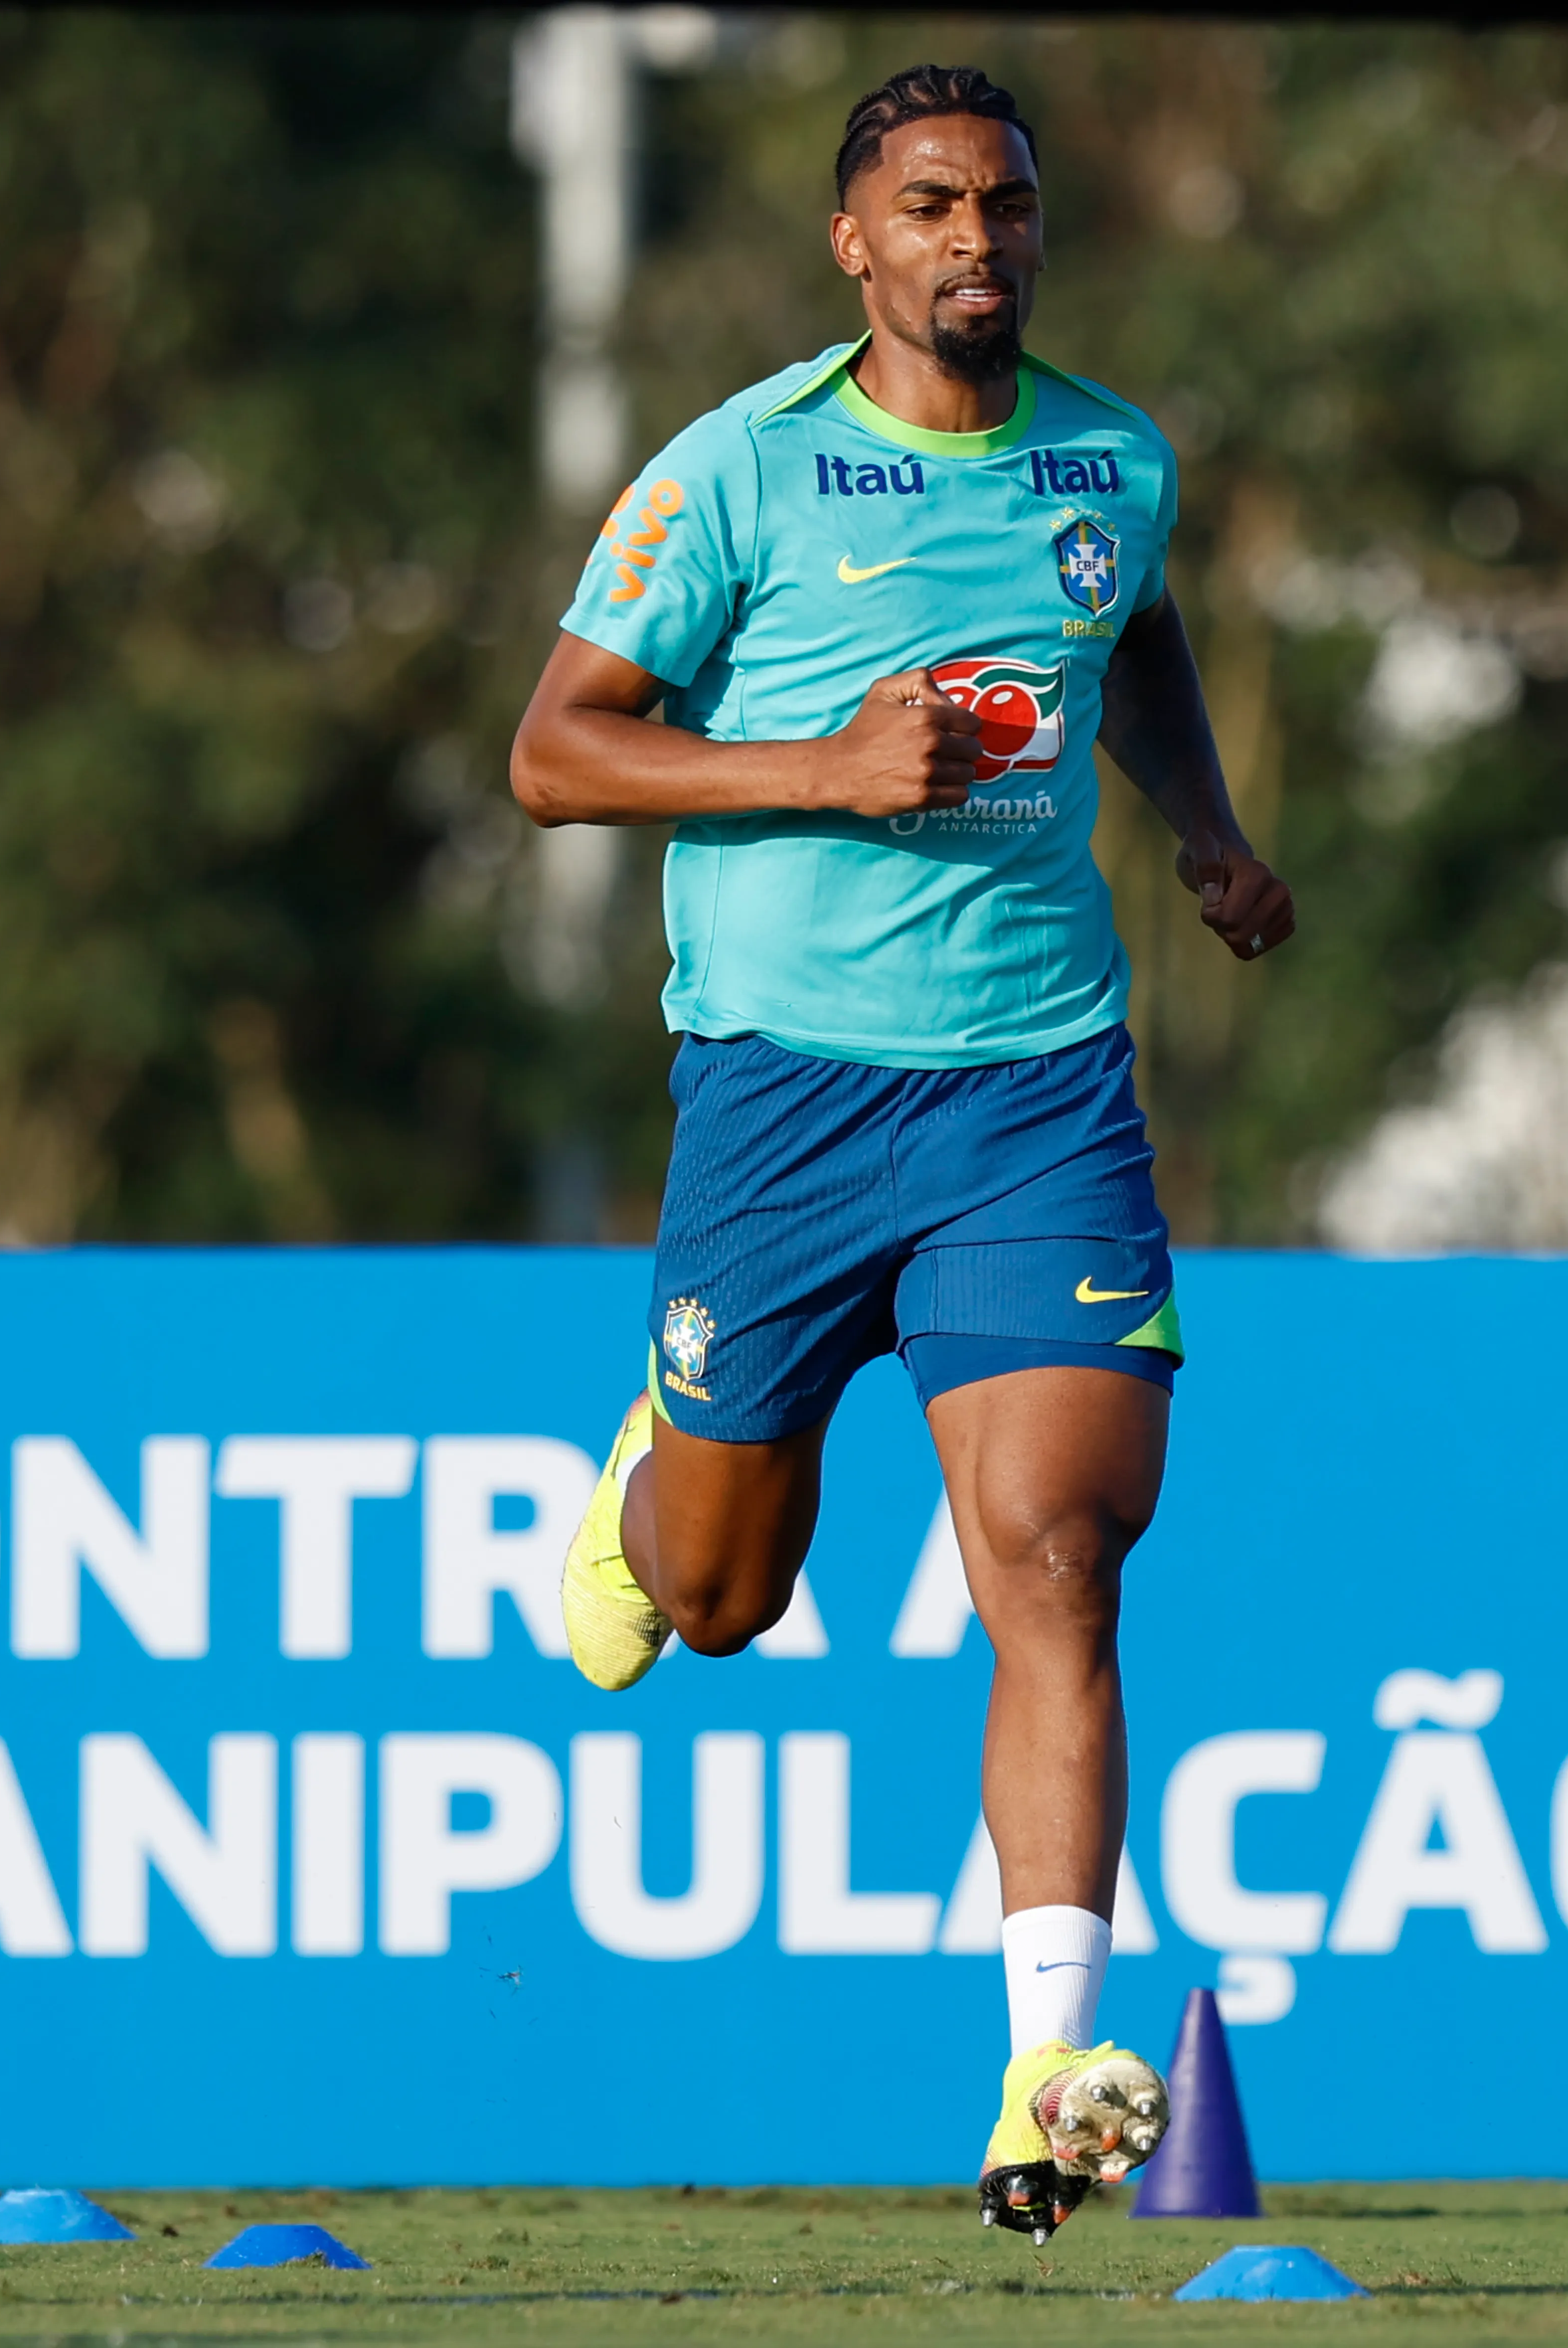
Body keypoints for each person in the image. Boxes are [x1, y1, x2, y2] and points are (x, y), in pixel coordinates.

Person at [511, 62, 1295, 2242]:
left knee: (1052, 1549)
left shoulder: (1107, 458)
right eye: (932, 205)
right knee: (717, 1595)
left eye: (1010, 206)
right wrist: (823, 768)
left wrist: (1206, 831)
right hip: (775, 1089)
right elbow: (556, 753)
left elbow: (1125, 632)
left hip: (1032, 1089)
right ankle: (662, 1448)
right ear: (851, 242)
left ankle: (1047, 2062)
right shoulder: (735, 474)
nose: (978, 239)